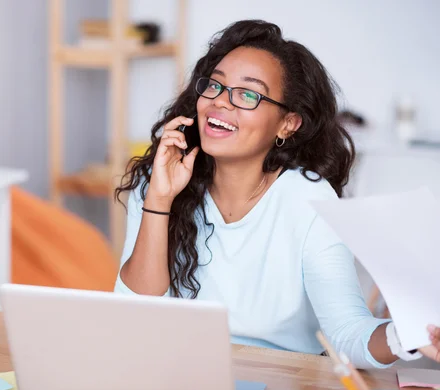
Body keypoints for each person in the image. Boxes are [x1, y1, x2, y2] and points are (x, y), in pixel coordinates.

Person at [113, 20, 440, 369]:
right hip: (178, 375)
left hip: (280, 382)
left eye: (248, 94)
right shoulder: (160, 178)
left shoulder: (308, 200)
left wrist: (406, 333)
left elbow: (347, 333)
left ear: (288, 123)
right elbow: (138, 316)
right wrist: (159, 200)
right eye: (215, 85)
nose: (221, 103)